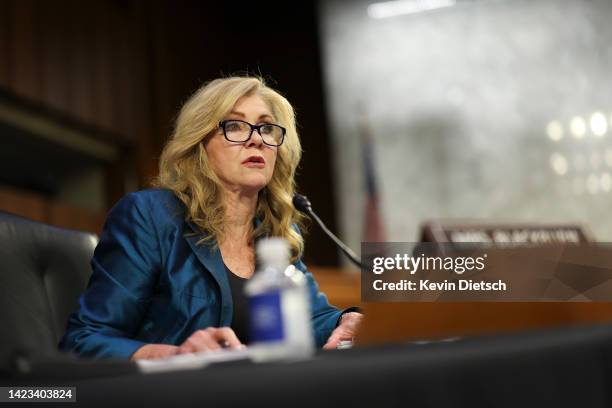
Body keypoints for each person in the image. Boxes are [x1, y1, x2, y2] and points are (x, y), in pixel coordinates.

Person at [59, 76, 362, 360]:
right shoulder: (150, 216)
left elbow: (311, 318)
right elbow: (84, 339)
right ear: (199, 143)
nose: (256, 140)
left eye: (267, 128)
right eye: (235, 126)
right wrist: (176, 355)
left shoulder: (275, 229)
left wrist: (345, 321)